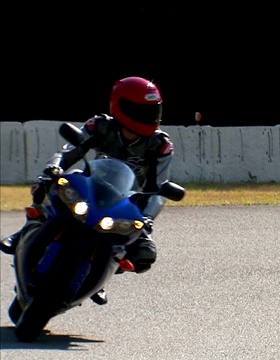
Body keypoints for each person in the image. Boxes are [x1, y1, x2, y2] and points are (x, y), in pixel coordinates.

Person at [0, 76, 174, 305]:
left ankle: (100, 276)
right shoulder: (100, 125)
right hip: (91, 185)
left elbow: (158, 189)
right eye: (139, 110)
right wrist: (54, 167)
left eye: (152, 111)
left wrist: (148, 219)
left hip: (126, 200)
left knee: (144, 254)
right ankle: (26, 230)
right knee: (50, 185)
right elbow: (70, 151)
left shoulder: (160, 145)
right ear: (118, 105)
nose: (148, 117)